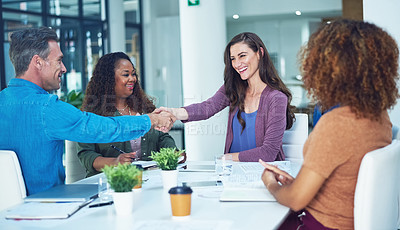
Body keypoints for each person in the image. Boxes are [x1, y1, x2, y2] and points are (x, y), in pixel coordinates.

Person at [0, 27, 175, 195]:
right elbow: (101, 128)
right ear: (38, 62)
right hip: (46, 211)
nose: (64, 68)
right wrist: (150, 120)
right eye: (59, 60)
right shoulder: (47, 108)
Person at [260, 19, 399, 229]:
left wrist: (270, 184)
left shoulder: (336, 124)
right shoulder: (379, 116)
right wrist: (297, 183)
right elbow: (345, 176)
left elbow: (296, 200)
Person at [156, 32, 295, 162]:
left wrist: (226, 158)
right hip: (232, 174)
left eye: (242, 56)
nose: (237, 64)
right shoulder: (234, 89)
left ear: (260, 53)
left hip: (264, 175)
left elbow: (268, 153)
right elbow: (207, 108)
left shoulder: (276, 98)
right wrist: (174, 113)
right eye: (233, 59)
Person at [77, 52, 183, 177]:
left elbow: (162, 138)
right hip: (111, 183)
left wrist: (175, 153)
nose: (132, 78)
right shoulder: (92, 114)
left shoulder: (145, 107)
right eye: (126, 75)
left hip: (149, 181)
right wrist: (115, 162)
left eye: (133, 74)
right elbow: (86, 154)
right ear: (109, 78)